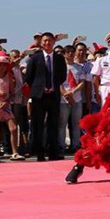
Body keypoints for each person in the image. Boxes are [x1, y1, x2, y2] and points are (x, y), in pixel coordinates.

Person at [25, 32, 67, 161]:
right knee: (38, 125)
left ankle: (53, 152)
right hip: (39, 96)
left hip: (53, 96)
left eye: (49, 40)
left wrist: (52, 86)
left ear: (54, 42)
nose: (47, 43)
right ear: (41, 43)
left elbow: (62, 76)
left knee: (53, 124)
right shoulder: (35, 58)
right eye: (45, 41)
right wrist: (39, 88)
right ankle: (39, 153)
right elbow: (29, 77)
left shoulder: (59, 58)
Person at [0, 53, 24, 161]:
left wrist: (7, 101)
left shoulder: (9, 78)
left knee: (13, 128)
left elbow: (12, 93)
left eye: (4, 64)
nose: (2, 66)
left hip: (6, 105)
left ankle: (15, 152)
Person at [59, 45, 87, 153]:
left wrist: (73, 92)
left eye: (72, 52)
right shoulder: (61, 67)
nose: (70, 54)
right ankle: (61, 145)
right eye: (67, 52)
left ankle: (75, 144)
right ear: (64, 54)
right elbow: (58, 83)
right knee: (62, 123)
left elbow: (82, 83)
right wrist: (66, 94)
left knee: (76, 123)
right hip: (63, 99)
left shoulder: (80, 67)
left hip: (77, 98)